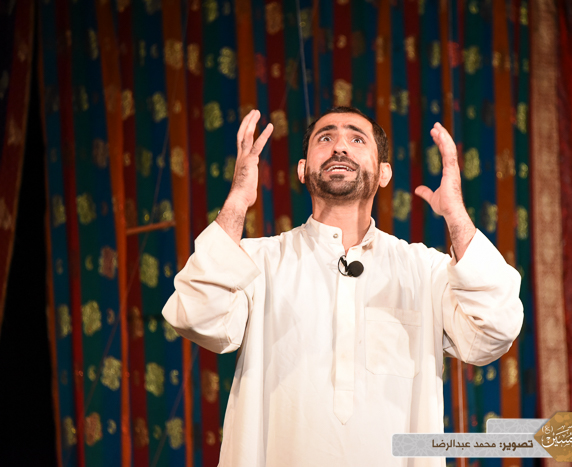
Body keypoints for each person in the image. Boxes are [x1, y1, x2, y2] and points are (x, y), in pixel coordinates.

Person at [162, 107, 523, 467]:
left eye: (356, 139)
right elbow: (197, 315)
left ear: (384, 173)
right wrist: (238, 199)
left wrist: (456, 215)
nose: (339, 147)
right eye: (325, 137)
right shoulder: (258, 261)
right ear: (302, 169)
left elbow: (493, 331)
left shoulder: (425, 270)